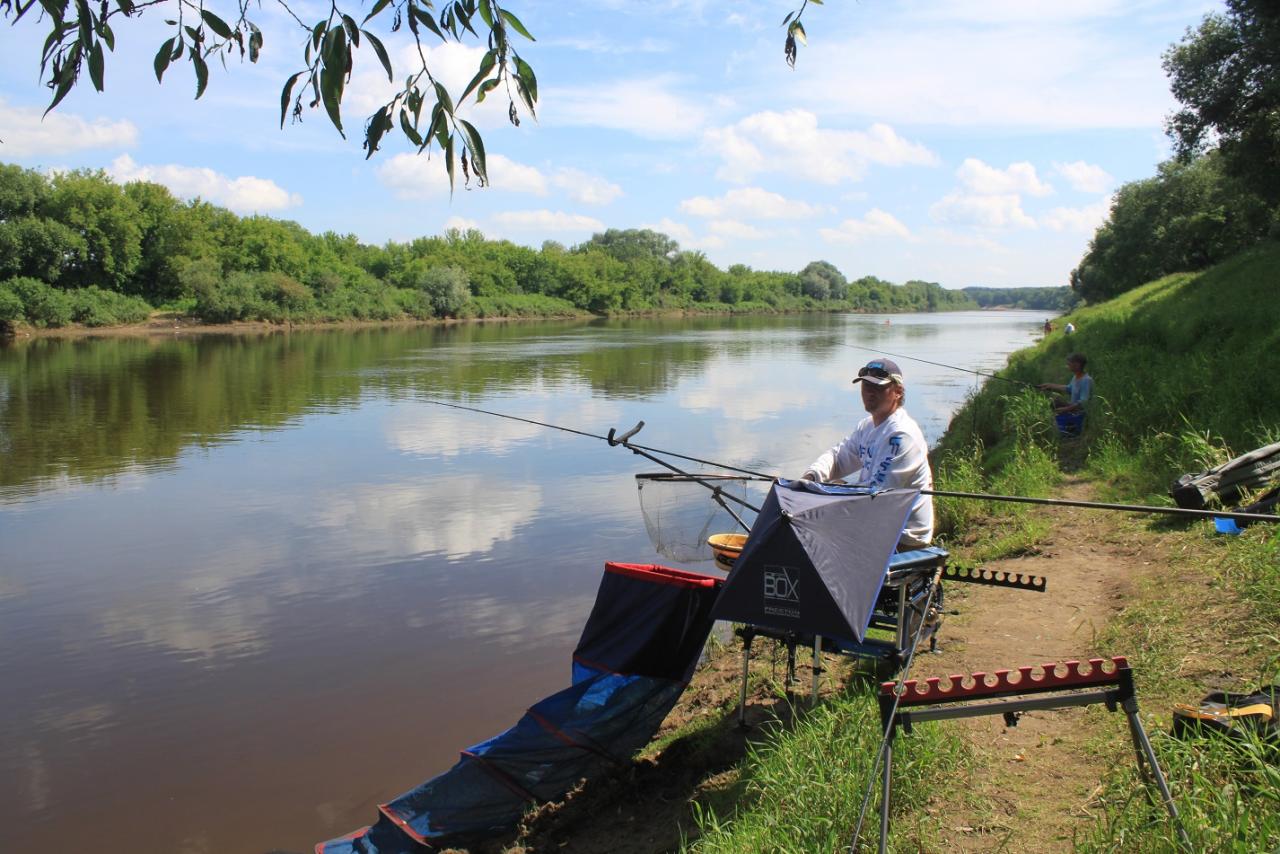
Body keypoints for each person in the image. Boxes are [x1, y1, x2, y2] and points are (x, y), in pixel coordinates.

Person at [800, 358, 934, 549]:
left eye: (878, 387)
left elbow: (877, 495)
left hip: (902, 537)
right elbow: (838, 458)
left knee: (810, 536)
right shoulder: (867, 426)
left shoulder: (901, 435)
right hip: (876, 524)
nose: (870, 392)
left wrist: (828, 492)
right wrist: (810, 478)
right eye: (866, 385)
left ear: (898, 392)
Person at [1038, 353, 1092, 436]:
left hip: (1080, 412)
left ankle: (1071, 429)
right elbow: (1068, 388)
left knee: (1058, 405)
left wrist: (1066, 409)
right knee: (1055, 403)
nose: (1067, 365)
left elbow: (1084, 401)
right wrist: (1050, 385)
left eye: (1069, 363)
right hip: (1074, 408)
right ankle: (1065, 427)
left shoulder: (1086, 380)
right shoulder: (1076, 377)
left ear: (1077, 365)